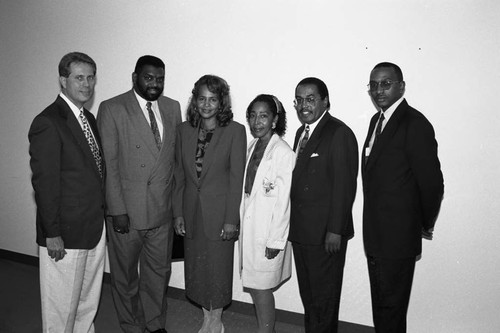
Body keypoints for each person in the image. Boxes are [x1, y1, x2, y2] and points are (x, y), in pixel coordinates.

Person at [97, 55, 181, 333]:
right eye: (148, 77)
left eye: (160, 79)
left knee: (158, 275)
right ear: (135, 77)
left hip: (162, 211)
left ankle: (155, 324)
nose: (155, 84)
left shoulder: (172, 107)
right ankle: (132, 326)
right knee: (125, 276)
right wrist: (116, 210)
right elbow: (108, 164)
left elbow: (174, 161)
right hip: (126, 213)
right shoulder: (112, 108)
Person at [362, 62, 444, 333]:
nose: (378, 90)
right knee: (383, 308)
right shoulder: (378, 120)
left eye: (385, 83)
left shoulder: (415, 123)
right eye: (373, 84)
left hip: (398, 237)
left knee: (392, 310)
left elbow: (432, 184)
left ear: (401, 86)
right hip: (375, 234)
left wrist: (422, 224)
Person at [28, 52, 106, 332]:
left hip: (93, 227)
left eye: (91, 77)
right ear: (63, 80)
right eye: (79, 77)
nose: (87, 84)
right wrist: (52, 233)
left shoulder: (89, 119)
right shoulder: (48, 122)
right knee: (61, 307)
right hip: (65, 233)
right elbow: (45, 184)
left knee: (87, 301)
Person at [173, 75, 246, 333]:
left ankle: (215, 320)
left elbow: (236, 180)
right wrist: (178, 213)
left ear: (221, 102)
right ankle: (206, 315)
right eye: (201, 98)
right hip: (191, 211)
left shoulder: (235, 131)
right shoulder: (183, 130)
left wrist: (231, 220)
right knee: (197, 266)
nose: (206, 104)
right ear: (195, 100)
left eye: (213, 99)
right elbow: (179, 175)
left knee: (217, 268)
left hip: (219, 214)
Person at [289, 77, 359, 333]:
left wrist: (335, 230)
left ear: (325, 101)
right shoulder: (301, 133)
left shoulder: (339, 132)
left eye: (310, 99)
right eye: (299, 99)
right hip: (302, 231)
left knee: (324, 300)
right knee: (310, 297)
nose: (303, 105)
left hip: (325, 235)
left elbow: (345, 187)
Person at [239, 94, 295, 333]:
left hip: (268, 231)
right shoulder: (252, 146)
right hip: (251, 227)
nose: (256, 121)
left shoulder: (282, 152)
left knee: (261, 287)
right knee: (254, 284)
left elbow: (284, 203)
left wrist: (276, 240)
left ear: (274, 120)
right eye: (252, 115)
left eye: (263, 116)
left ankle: (266, 330)